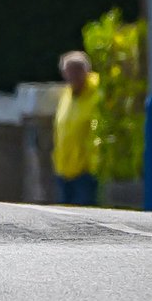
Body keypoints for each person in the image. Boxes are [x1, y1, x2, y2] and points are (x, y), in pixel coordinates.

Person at [52, 50, 100, 205]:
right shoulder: (67, 94)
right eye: (68, 72)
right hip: (65, 169)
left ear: (86, 71)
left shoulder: (97, 93)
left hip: (86, 170)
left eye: (76, 71)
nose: (72, 77)